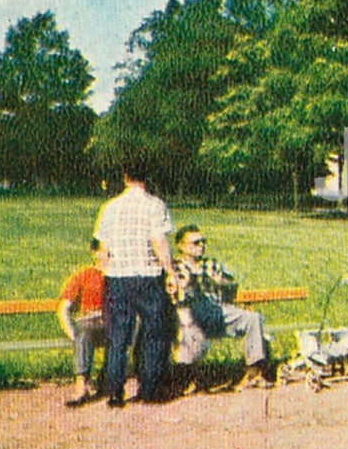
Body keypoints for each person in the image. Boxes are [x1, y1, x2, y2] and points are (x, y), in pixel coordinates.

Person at [93, 160, 174, 407]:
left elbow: (103, 248)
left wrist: (106, 272)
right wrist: (170, 271)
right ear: (147, 178)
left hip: (118, 277)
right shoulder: (155, 205)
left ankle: (115, 392)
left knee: (117, 336)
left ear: (125, 177)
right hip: (148, 275)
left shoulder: (110, 207)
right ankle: (149, 389)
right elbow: (159, 242)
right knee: (153, 333)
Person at [170, 225, 273, 385]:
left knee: (253, 318)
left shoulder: (212, 264)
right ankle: (186, 376)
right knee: (187, 321)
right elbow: (176, 292)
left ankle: (254, 371)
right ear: (181, 246)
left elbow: (232, 283)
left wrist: (222, 282)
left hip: (217, 310)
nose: (201, 246)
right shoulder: (175, 266)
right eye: (196, 243)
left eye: (203, 242)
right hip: (190, 312)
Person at [57, 238, 107, 407]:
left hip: (113, 322)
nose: (109, 254)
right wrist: (72, 333)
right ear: (95, 253)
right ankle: (81, 386)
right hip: (89, 322)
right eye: (105, 250)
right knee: (84, 332)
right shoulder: (85, 275)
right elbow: (64, 307)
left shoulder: (120, 276)